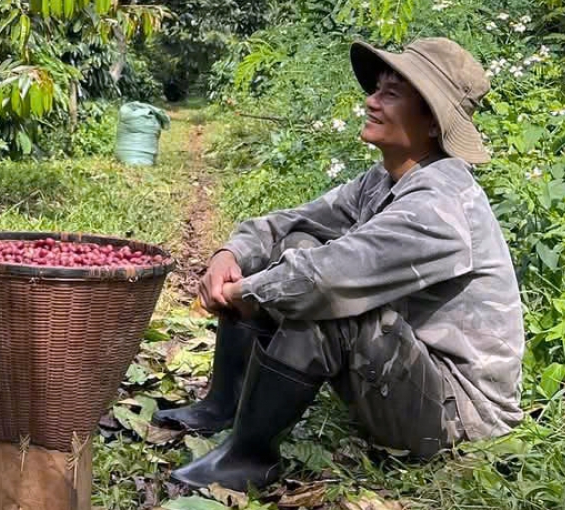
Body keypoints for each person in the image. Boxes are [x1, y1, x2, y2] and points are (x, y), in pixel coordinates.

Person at [152, 38, 524, 491]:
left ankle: (248, 457)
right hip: (415, 376)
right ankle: (222, 407)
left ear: (431, 121)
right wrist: (229, 256)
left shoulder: (440, 205)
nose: (371, 100)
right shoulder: (385, 180)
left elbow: (326, 281)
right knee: (294, 243)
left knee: (331, 305)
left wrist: (243, 293)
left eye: (391, 93)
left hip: (458, 416)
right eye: (376, 88)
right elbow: (288, 224)